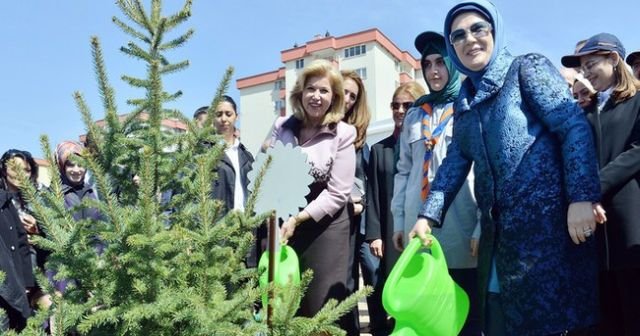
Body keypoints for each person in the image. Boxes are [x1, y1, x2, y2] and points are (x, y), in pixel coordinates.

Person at [409, 1, 602, 335]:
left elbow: (573, 126)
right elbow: (455, 161)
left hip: (549, 236)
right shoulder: (465, 100)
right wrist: (427, 216)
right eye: (458, 35)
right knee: (500, 319)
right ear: (452, 45)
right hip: (498, 243)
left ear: (494, 32)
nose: (470, 39)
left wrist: (581, 197)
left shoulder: (525, 69)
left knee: (553, 321)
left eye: (478, 29)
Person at [390, 31, 481, 336]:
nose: (434, 71)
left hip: (462, 226)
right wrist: (399, 222)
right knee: (426, 313)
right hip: (419, 227)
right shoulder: (416, 114)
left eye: (441, 62)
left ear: (454, 63)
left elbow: (483, 169)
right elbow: (403, 172)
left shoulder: (470, 106)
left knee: (462, 310)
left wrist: (482, 225)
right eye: (427, 64)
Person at [269, 59, 356, 334]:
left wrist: (299, 217)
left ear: (334, 98)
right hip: (285, 222)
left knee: (320, 308)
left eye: (324, 91)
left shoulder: (343, 133)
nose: (316, 97)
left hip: (325, 227)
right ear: (300, 92)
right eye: (311, 89)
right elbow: (267, 173)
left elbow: (339, 193)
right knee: (285, 304)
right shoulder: (282, 126)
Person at [562, 32, 640, 336]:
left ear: (614, 60)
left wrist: (591, 188)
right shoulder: (582, 113)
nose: (586, 72)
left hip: (630, 230)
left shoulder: (637, 102)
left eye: (591, 63)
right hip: (593, 239)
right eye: (581, 69)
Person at [366, 81, 425, 280]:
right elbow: (373, 196)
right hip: (391, 229)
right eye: (395, 105)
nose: (400, 110)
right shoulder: (379, 150)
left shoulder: (427, 146)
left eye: (407, 105)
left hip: (421, 225)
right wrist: (375, 236)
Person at [195, 96, 259, 267]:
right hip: (217, 234)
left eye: (228, 114)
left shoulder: (246, 156)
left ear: (236, 117)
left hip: (245, 231)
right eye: (219, 114)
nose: (224, 119)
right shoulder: (202, 153)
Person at [341, 69, 380, 335]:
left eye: (353, 96)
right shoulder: (320, 129)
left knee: (373, 276)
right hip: (337, 224)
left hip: (364, 224)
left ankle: (380, 327)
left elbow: (368, 181)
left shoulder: (359, 137)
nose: (347, 99)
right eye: (343, 91)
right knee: (346, 284)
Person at [0, 149, 38, 331]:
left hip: (35, 271)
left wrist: (37, 231)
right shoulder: (3, 201)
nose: (20, 174)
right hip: (10, 277)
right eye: (14, 168)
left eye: (26, 169)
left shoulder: (38, 198)